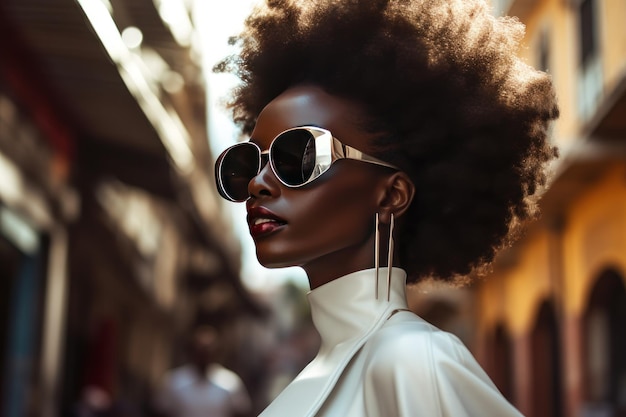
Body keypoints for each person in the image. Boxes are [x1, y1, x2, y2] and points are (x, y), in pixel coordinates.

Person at [213, 0, 558, 415]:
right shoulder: (325, 368)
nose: (256, 183)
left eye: (297, 158)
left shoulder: (414, 360)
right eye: (246, 163)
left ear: (392, 195)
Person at [153, 326, 251, 417]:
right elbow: (160, 410)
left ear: (216, 353)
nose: (204, 356)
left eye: (208, 351)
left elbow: (242, 412)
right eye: (200, 352)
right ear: (192, 352)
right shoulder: (174, 381)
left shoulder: (230, 383)